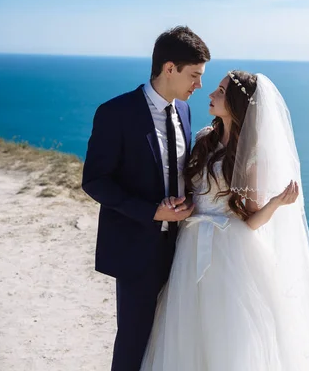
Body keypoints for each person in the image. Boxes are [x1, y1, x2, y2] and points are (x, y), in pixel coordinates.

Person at [141, 70, 309, 370]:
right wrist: (185, 203)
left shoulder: (251, 156)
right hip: (190, 245)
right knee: (188, 327)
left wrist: (277, 203)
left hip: (229, 253)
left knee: (227, 334)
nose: (211, 95)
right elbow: (194, 190)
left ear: (237, 103)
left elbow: (251, 221)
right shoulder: (204, 138)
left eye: (220, 91)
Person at [81, 26, 210, 371]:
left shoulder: (183, 111)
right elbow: (95, 181)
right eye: (194, 75)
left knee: (173, 333)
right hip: (137, 247)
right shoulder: (115, 113)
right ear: (170, 68)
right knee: (135, 337)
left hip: (182, 248)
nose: (199, 85)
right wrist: (152, 212)